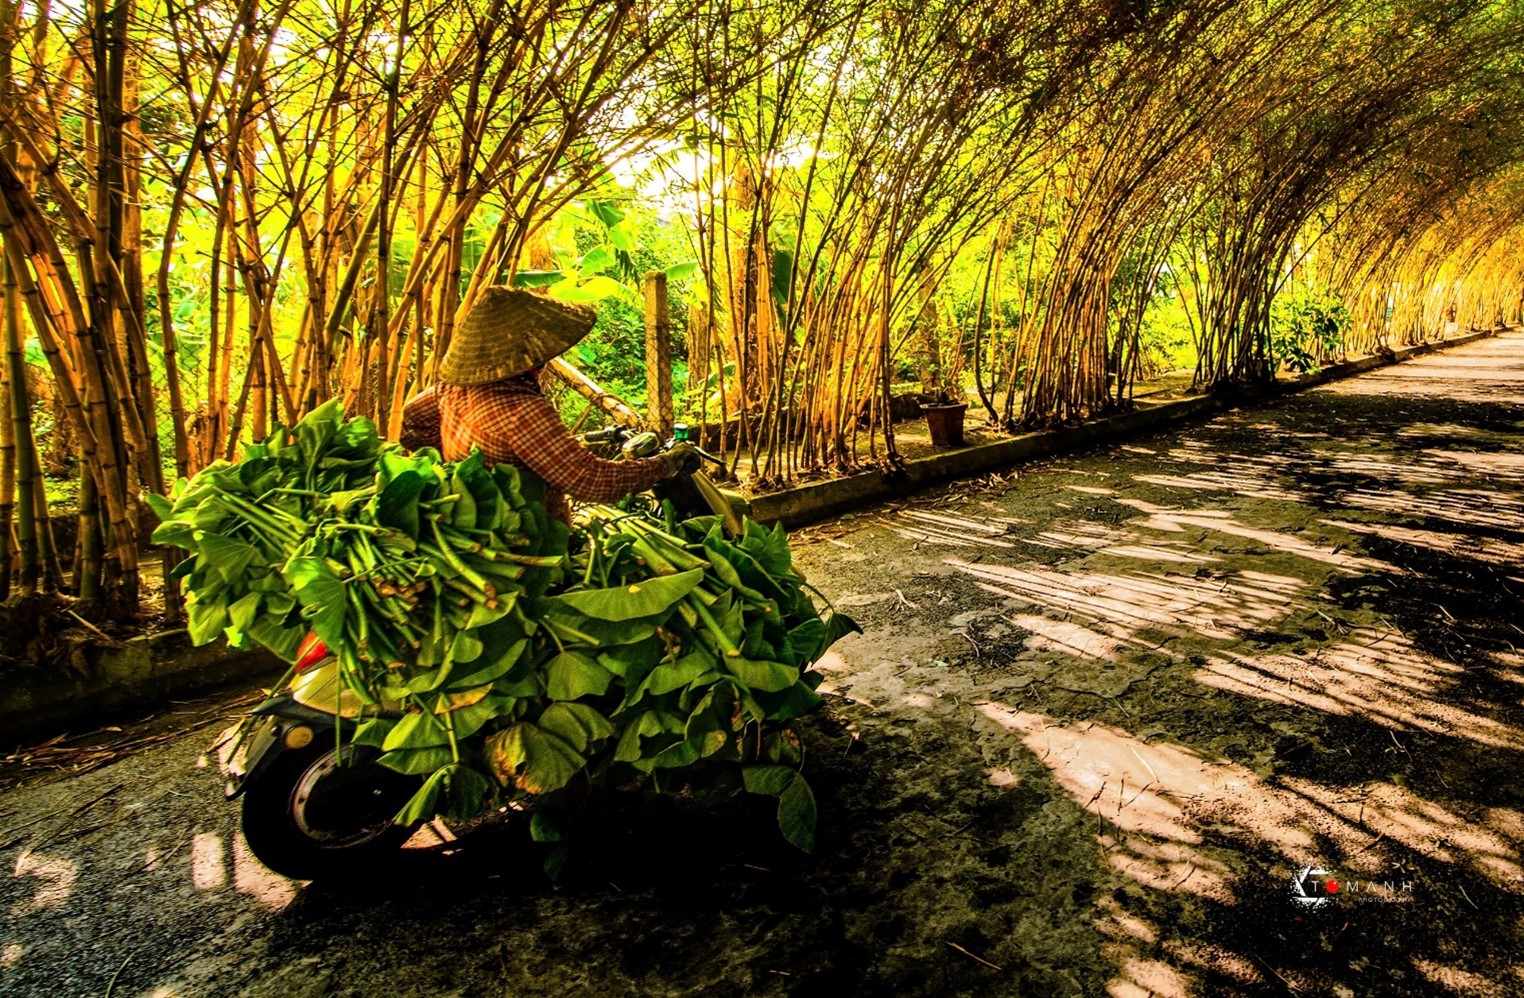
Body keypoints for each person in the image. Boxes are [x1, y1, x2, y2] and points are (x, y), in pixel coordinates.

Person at [399, 287, 697, 522]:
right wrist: (666, 463)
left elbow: (412, 419)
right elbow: (590, 481)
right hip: (528, 541)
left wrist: (455, 473)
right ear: (528, 352)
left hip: (474, 523)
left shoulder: (451, 389)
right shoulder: (520, 411)